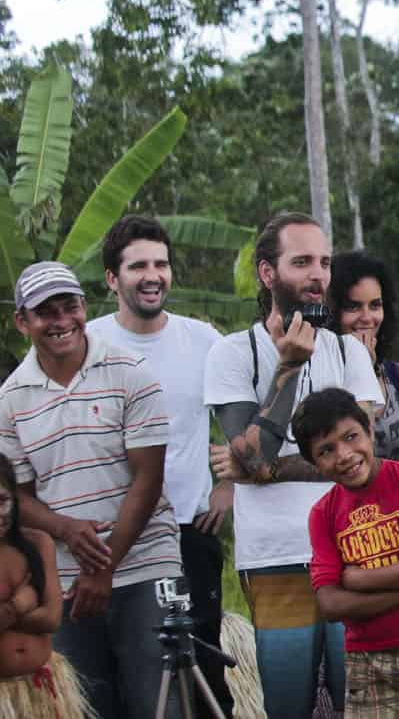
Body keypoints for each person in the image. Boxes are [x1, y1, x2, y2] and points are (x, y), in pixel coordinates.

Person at [205, 213, 384, 719]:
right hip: (276, 557)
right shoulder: (232, 352)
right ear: (267, 273)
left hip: (354, 547)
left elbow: (362, 459)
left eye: (325, 263)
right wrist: (287, 368)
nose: (318, 275)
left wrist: (262, 469)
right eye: (302, 261)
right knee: (288, 706)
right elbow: (255, 456)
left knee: (362, 702)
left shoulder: (349, 351)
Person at [1, 262, 181, 719]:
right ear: (23, 322)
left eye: (70, 307)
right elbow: (14, 496)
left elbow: (149, 478)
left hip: (146, 563)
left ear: (84, 308)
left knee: (158, 704)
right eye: (46, 313)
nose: (61, 321)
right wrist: (63, 526)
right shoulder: (9, 399)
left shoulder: (130, 372)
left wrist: (104, 567)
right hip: (62, 576)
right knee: (84, 708)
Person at [86, 214, 234, 714]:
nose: (153, 275)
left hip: (186, 535)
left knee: (200, 671)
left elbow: (246, 417)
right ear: (112, 279)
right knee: (114, 678)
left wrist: (230, 483)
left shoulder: (205, 341)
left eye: (162, 264)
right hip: (104, 542)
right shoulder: (85, 343)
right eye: (138, 266)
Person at [298, 388, 399, 719]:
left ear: (370, 430)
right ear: (314, 464)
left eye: (351, 436)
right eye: (326, 450)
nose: (344, 454)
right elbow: (330, 604)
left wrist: (357, 578)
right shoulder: (322, 514)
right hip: (367, 662)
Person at [0, 457, 89, 719]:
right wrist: (21, 604)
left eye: (2, 501)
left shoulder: (38, 543)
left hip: (39, 689)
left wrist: (7, 614)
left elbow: (51, 618)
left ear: (15, 500)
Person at [331, 253, 399, 465]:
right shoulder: (315, 375)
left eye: (375, 305)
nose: (367, 318)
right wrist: (360, 369)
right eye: (353, 306)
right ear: (333, 311)